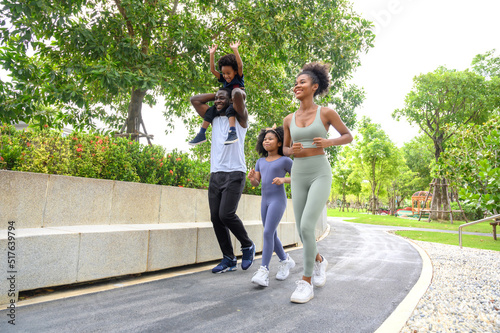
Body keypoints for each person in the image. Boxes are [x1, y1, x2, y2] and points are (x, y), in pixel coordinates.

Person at [283, 62, 353, 303]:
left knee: (306, 226)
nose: (297, 86)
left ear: (314, 86)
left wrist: (329, 142)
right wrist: (292, 149)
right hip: (299, 172)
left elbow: (348, 136)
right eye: (296, 83)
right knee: (303, 232)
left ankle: (306, 282)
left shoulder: (326, 113)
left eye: (302, 82)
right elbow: (284, 148)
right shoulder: (288, 118)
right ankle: (320, 262)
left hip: (320, 172)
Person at [190, 87, 255, 273]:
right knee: (215, 218)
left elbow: (237, 96)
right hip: (216, 173)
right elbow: (195, 99)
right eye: (215, 99)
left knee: (226, 214)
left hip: (235, 172)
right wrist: (219, 95)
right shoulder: (214, 118)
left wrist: (229, 91)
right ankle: (228, 258)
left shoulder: (240, 119)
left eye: (221, 99)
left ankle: (247, 245)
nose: (217, 101)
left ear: (231, 101)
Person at [247, 125, 295, 287]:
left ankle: (264, 270)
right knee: (271, 234)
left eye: (271, 139)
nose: (266, 141)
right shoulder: (260, 161)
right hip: (264, 201)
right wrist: (252, 177)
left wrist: (284, 180)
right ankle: (285, 260)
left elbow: (299, 177)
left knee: (268, 232)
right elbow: (256, 183)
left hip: (277, 200)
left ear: (280, 143)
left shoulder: (285, 160)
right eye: (265, 139)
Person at [189, 42, 246, 146]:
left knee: (231, 108)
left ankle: (232, 132)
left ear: (235, 72)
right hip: (226, 100)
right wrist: (212, 54)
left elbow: (240, 65)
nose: (225, 76)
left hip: (235, 100)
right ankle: (201, 133)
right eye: (224, 73)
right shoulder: (224, 80)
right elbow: (212, 70)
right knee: (211, 110)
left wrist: (235, 50)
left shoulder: (238, 77)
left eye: (228, 73)